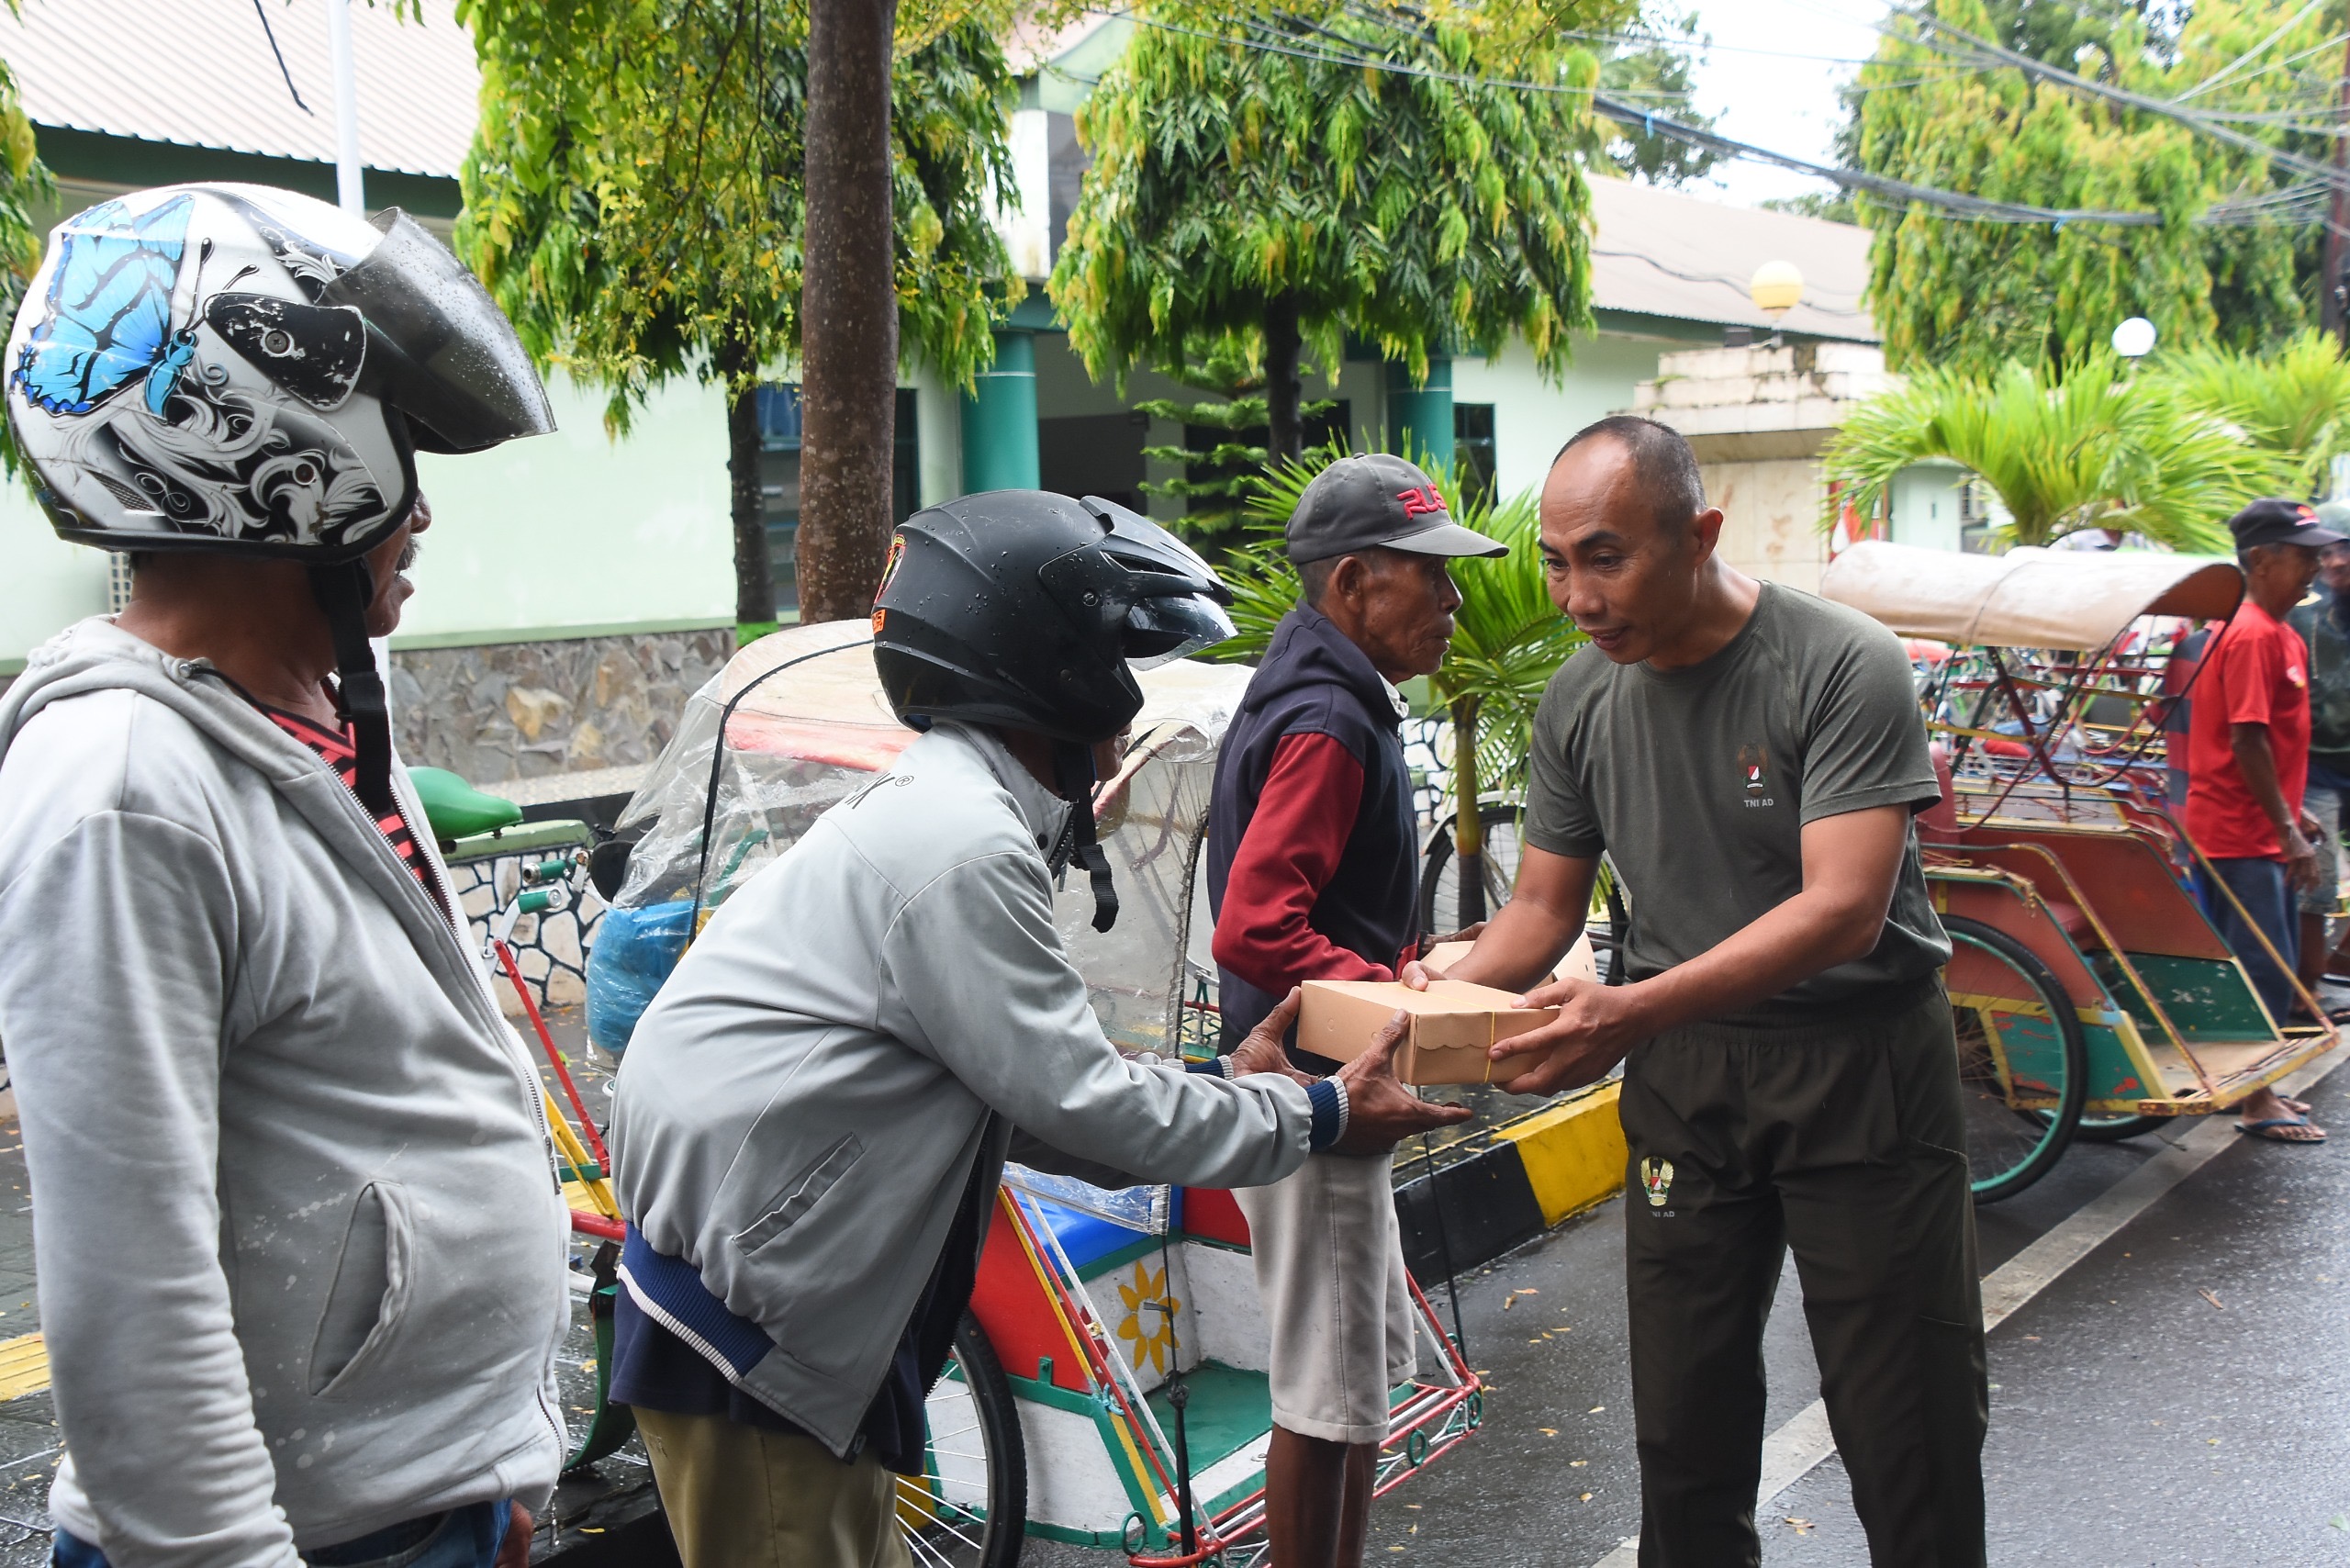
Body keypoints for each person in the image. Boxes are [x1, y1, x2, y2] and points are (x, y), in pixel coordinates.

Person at [604, 490, 1469, 1568]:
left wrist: (1227, 1081)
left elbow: (1031, 1090)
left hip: (773, 1299)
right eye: (1118, 671)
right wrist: (1320, 1109)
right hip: (758, 1325)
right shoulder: (961, 844)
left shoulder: (957, 811)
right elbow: (1081, 1102)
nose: (1124, 714)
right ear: (1047, 671)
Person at [0, 186, 565, 1568]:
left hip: (419, 1505)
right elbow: (135, 1306)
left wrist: (498, 1459)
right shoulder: (128, 789)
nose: (417, 513)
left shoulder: (308, 730)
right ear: (268, 447)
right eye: (400, 459)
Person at [1408, 416, 1985, 1567]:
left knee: (1903, 1425)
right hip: (1689, 1081)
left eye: (1606, 556)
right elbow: (1538, 913)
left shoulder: (1837, 661)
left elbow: (1842, 908)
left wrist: (1629, 1012)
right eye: (1558, 561)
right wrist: (1405, 1016)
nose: (1575, 595)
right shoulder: (1581, 699)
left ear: (1700, 533)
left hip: (1857, 1065)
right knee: (1684, 1426)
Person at [1205, 454, 1505, 1568]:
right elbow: (1256, 928)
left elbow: (1305, 914)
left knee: (1355, 1383)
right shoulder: (1330, 718)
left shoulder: (1317, 690)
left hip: (1327, 1083)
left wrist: (1405, 962)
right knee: (1324, 1392)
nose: (1452, 600)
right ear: (1351, 585)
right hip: (1316, 1094)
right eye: (1428, 576)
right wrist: (1386, 998)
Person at [2186, 498, 2344, 1142]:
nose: (2314, 567)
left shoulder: (2278, 631)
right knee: (2262, 967)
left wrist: (2291, 810)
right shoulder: (2252, 632)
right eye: (2302, 555)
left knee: (2264, 962)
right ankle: (2257, 1101)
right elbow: (2246, 738)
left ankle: (2254, 1087)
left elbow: (2265, 743)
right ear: (2260, 559)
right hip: (2236, 833)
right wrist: (2284, 828)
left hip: (2255, 827)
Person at [2286, 521, 2350, 1009]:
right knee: (2319, 880)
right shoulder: (2299, 620)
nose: (2335, 562)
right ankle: (2305, 988)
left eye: (2345, 550)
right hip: (2317, 768)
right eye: (2327, 552)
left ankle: (2337, 962)